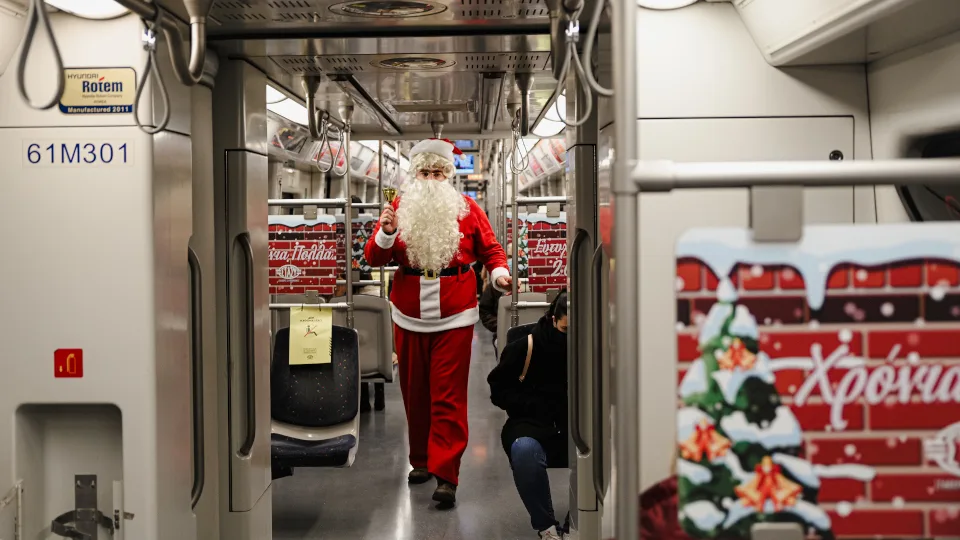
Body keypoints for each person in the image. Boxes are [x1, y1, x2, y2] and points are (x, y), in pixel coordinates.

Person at [364, 138, 511, 505]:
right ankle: (421, 460)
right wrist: (386, 233)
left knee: (448, 395)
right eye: (425, 173)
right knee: (414, 393)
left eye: (438, 173)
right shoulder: (398, 209)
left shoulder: (468, 209)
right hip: (408, 313)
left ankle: (447, 474)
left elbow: (491, 250)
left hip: (455, 313)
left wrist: (499, 274)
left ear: (448, 176)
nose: (431, 179)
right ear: (415, 176)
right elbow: (374, 259)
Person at [487, 291, 569, 539]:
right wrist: (533, 404)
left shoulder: (593, 347)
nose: (571, 337)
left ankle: (580, 519)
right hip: (530, 422)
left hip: (576, 425)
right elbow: (498, 390)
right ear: (553, 320)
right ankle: (546, 527)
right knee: (525, 453)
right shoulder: (525, 347)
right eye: (566, 330)